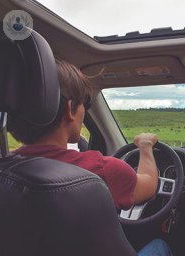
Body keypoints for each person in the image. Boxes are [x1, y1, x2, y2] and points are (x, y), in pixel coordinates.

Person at [11, 58, 172, 256]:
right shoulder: (100, 170)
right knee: (159, 245)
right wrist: (146, 147)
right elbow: (148, 185)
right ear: (70, 109)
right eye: (85, 105)